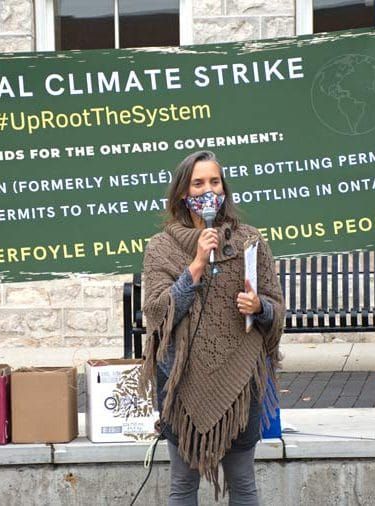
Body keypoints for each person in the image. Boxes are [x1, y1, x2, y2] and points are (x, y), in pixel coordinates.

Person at [139, 150, 284, 504]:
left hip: (239, 384)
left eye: (214, 182)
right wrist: (196, 266)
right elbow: (157, 312)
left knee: (243, 481)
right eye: (198, 183)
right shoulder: (161, 248)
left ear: (224, 189)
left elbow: (276, 307)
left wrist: (259, 306)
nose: (208, 190)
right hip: (182, 382)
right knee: (183, 485)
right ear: (182, 194)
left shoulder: (250, 241)